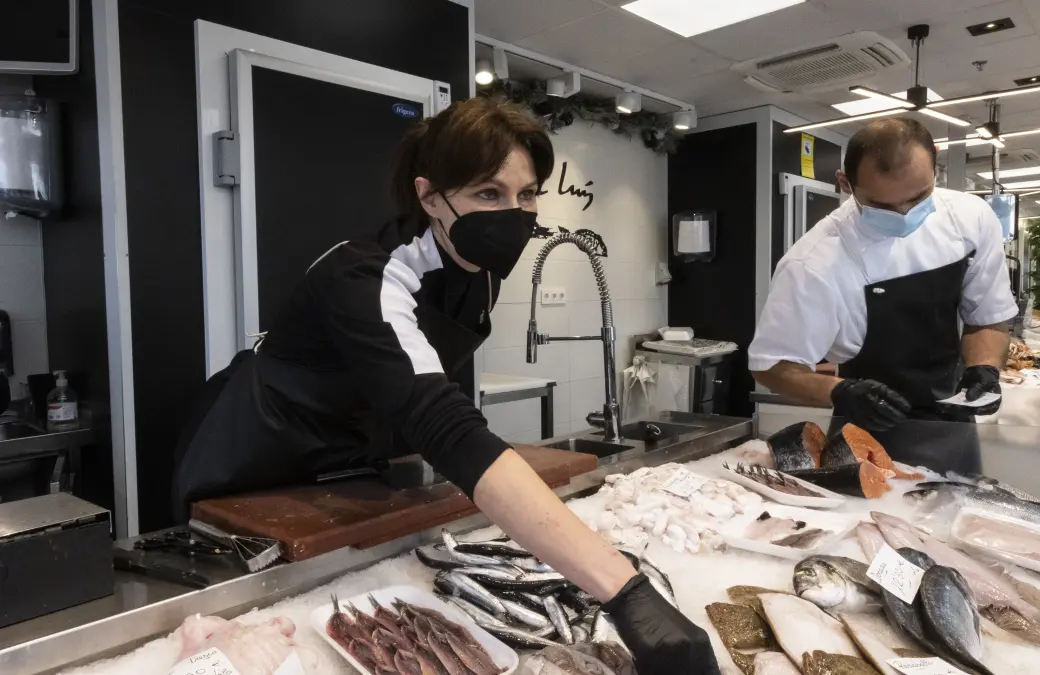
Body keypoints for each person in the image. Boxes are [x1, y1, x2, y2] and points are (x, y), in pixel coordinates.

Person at [173, 98, 720, 674]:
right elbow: (444, 424)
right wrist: (625, 592)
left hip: (347, 460)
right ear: (430, 197)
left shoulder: (482, 272)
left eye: (527, 194)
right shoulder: (368, 274)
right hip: (255, 454)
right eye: (488, 193)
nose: (514, 213)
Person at [749, 118, 1017, 472]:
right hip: (864, 436)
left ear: (935, 167)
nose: (904, 214)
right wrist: (839, 391)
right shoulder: (812, 263)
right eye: (882, 206)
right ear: (845, 183)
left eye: (919, 197)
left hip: (954, 425)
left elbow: (987, 316)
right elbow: (772, 367)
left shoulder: (971, 218)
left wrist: (984, 368)